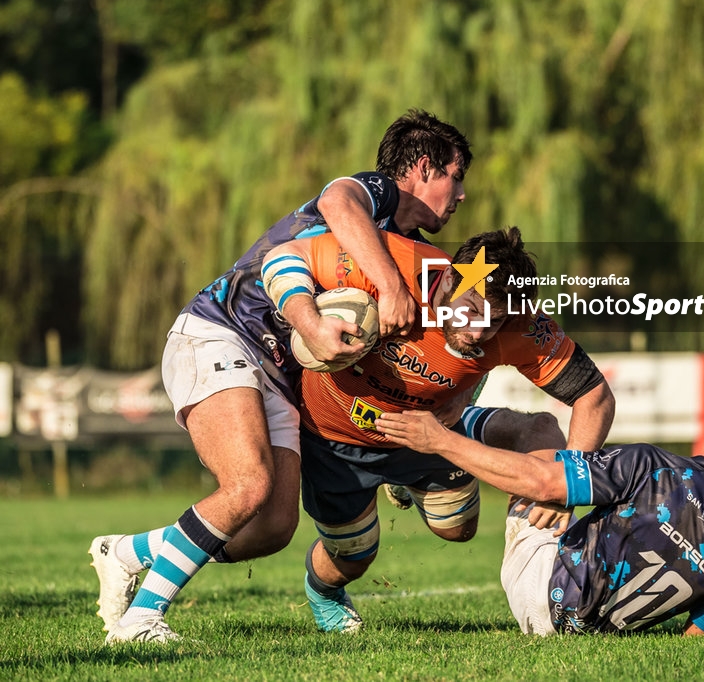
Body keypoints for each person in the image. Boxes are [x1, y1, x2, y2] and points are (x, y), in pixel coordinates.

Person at [88, 110, 559, 643]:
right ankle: (140, 621)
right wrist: (389, 286)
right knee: (248, 486)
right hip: (225, 332)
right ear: (424, 168)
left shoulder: (417, 253)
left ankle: (127, 551)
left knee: (269, 529)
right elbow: (337, 200)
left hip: (282, 376)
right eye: (457, 176)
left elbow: (458, 337)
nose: (462, 195)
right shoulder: (374, 197)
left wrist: (455, 394)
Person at [261, 225, 616, 633]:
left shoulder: (523, 326)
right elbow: (284, 254)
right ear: (448, 278)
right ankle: (322, 591)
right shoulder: (392, 265)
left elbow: (595, 396)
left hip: (427, 433)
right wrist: (309, 322)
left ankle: (541, 592)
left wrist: (566, 485)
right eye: (470, 309)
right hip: (336, 438)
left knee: (462, 527)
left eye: (494, 320)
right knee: (353, 557)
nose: (479, 331)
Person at [374, 391, 704, 634]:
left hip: (539, 583)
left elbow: (541, 480)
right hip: (583, 634)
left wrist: (438, 440)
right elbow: (694, 638)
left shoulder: (656, 467)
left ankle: (434, 436)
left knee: (540, 430)